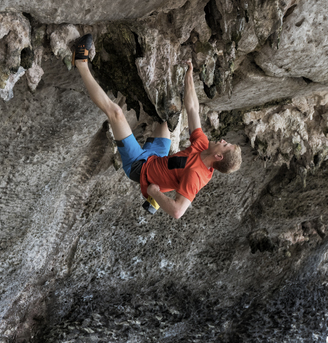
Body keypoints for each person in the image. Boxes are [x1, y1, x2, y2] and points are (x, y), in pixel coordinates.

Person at [72, 34, 242, 219]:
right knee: (163, 117)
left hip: (139, 167)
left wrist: (155, 193)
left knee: (116, 114)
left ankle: (80, 62)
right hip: (158, 158)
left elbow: (177, 211)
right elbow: (193, 108)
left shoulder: (195, 176)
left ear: (218, 156)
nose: (223, 140)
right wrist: (189, 76)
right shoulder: (203, 145)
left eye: (225, 145)